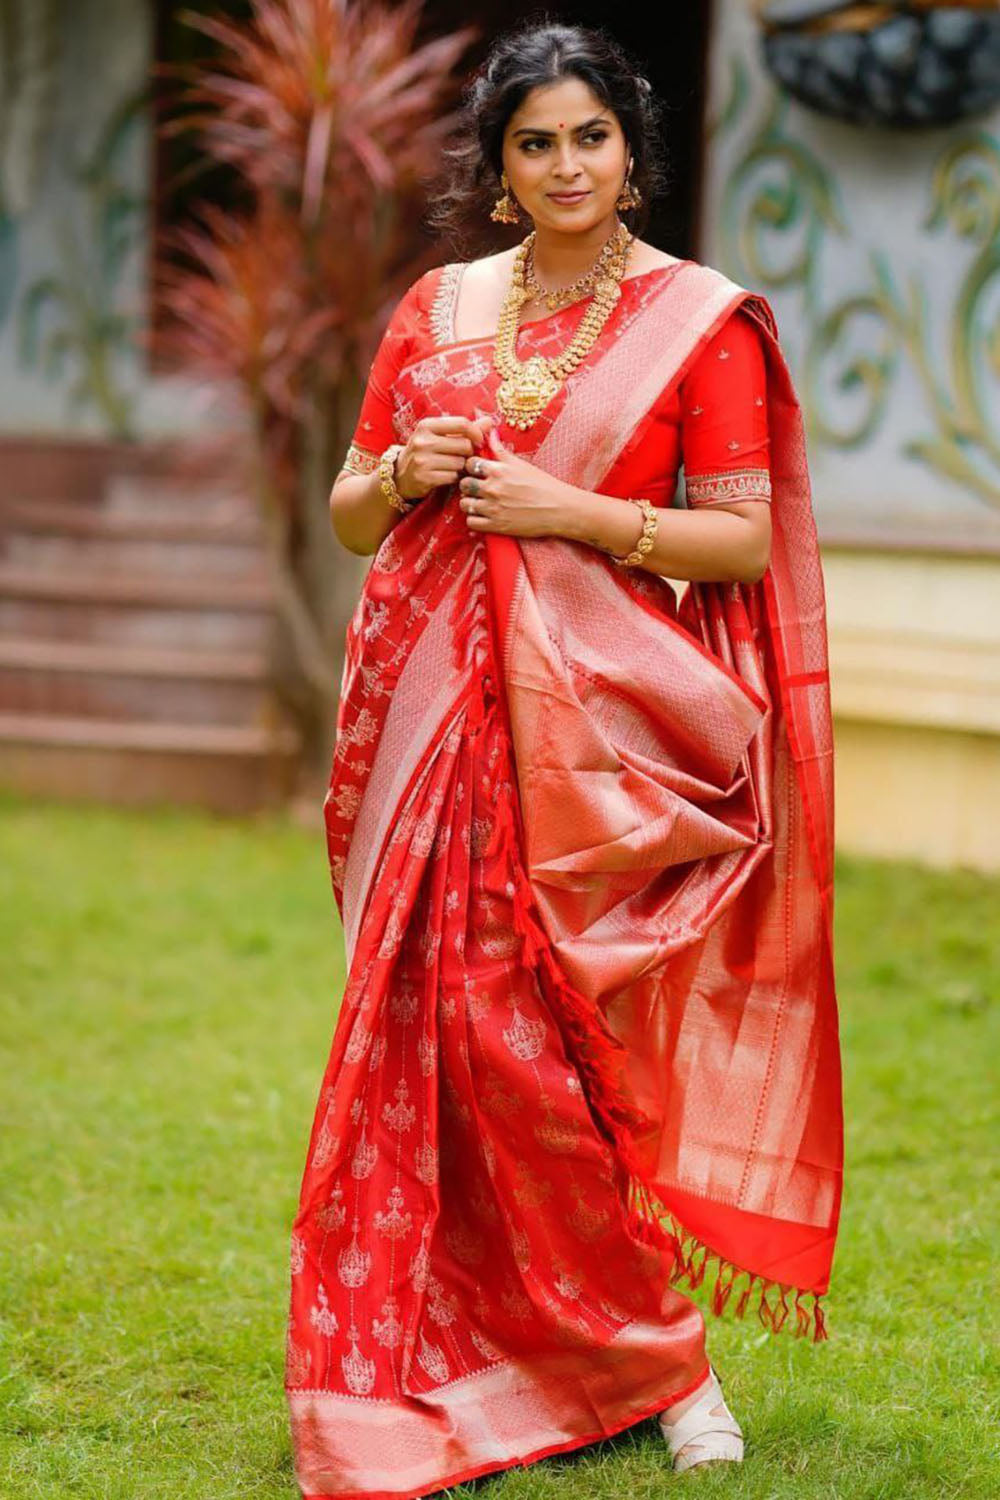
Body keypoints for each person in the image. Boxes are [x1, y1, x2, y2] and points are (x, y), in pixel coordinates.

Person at [284, 20, 843, 1500]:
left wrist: (565, 512)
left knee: (570, 1058)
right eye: (536, 142)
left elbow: (736, 532)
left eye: (589, 135)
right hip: (432, 726)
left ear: (629, 150)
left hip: (602, 735)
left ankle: (664, 1363)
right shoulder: (440, 307)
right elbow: (352, 509)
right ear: (502, 167)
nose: (566, 163)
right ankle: (456, 1348)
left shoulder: (697, 321)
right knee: (456, 1037)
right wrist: (401, 475)